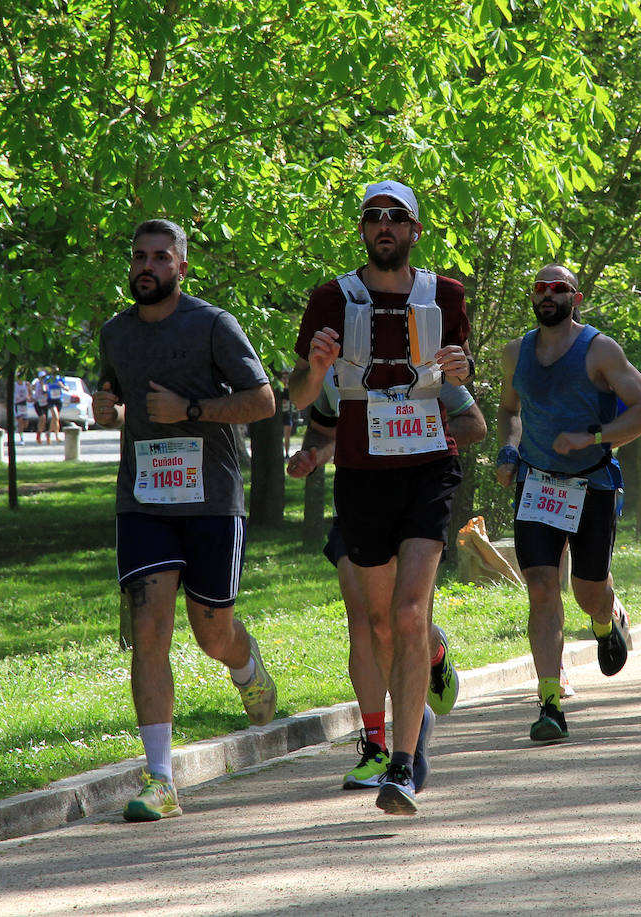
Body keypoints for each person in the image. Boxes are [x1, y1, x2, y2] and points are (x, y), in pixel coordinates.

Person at [290, 180, 472, 814]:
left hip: (429, 466)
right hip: (363, 473)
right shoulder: (329, 300)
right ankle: (413, 711)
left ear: (415, 230)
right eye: (374, 218)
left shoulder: (445, 296)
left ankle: (403, 761)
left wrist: (459, 374)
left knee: (406, 613)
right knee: (375, 623)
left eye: (396, 218)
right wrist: (314, 370)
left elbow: (458, 382)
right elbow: (298, 397)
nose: (384, 226)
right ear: (362, 229)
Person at [93, 218, 278, 822]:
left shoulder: (213, 325)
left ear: (181, 266)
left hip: (211, 500)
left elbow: (262, 400)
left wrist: (190, 409)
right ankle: (161, 779)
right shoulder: (115, 332)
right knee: (149, 627)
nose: (147, 267)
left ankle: (245, 664)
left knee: (211, 634)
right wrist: (102, 403)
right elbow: (111, 390)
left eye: (160, 257)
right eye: (138, 256)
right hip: (143, 500)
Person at [287, 371, 485, 792]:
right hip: (359, 498)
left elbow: (475, 423)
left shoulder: (422, 354)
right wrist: (311, 456)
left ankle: (431, 657)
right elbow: (322, 432)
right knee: (368, 622)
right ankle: (377, 746)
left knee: (407, 618)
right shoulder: (334, 366)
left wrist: (409, 437)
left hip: (416, 495)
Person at [497, 263, 641, 741]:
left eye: (558, 288)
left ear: (576, 297)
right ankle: (550, 704)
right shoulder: (515, 353)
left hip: (592, 485)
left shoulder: (599, 350)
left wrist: (592, 436)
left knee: (589, 591)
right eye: (540, 288)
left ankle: (608, 620)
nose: (547, 295)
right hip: (537, 485)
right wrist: (508, 450)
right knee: (542, 588)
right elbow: (509, 410)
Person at [32, 371, 51, 444]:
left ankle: (46, 436)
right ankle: (38, 435)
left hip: (45, 403)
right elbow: (31, 386)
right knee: (42, 418)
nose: (43, 379)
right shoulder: (36, 382)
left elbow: (46, 392)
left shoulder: (46, 384)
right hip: (38, 403)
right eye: (41, 378)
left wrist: (44, 386)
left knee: (45, 420)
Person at [13, 376, 31, 443]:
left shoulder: (26, 384)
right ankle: (21, 438)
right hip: (17, 404)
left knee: (26, 424)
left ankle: (18, 427)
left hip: (24, 405)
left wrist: (29, 397)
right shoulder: (15, 385)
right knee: (20, 421)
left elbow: (30, 394)